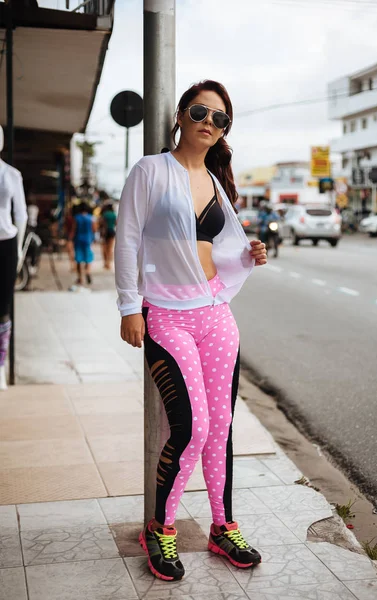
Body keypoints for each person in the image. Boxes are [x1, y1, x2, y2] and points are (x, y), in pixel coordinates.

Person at [115, 80, 267, 582]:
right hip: (165, 313)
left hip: (215, 312)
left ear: (224, 131)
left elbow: (219, 249)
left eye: (220, 118)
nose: (209, 121)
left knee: (220, 426)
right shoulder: (151, 171)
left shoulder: (217, 181)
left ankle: (223, 525)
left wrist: (251, 254)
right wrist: (128, 306)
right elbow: (129, 238)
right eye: (201, 111)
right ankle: (161, 528)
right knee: (192, 426)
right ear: (180, 115)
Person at [0, 125, 28, 391]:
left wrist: (18, 248)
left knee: (3, 305)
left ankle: (0, 363)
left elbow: (21, 215)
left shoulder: (11, 174)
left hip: (6, 243)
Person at [71, 202, 95, 285]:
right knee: (88, 257)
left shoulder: (76, 218)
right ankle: (88, 272)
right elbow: (94, 229)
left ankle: (80, 278)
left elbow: (74, 229)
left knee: (78, 258)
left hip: (78, 239)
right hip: (88, 239)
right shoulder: (91, 218)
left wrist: (70, 238)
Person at [100, 202, 117, 270]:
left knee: (104, 248)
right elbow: (116, 223)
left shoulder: (104, 214)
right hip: (112, 231)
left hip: (105, 232)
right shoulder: (114, 214)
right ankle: (108, 263)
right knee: (110, 248)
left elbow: (102, 223)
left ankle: (105, 263)